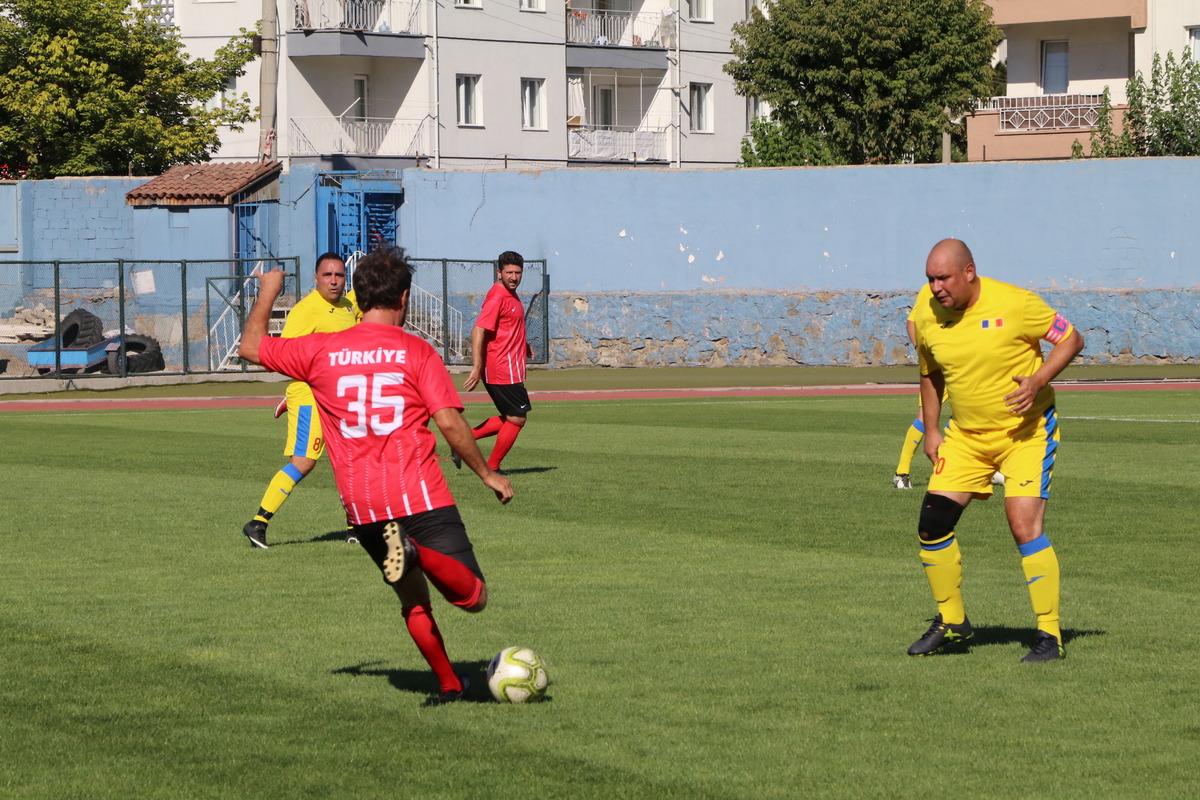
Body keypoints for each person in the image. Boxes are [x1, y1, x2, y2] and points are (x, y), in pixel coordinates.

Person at [238, 247, 514, 702]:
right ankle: (418, 552)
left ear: (358, 296)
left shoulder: (320, 350)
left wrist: (268, 292)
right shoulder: (417, 351)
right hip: (420, 494)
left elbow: (251, 347)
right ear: (404, 298)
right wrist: (487, 473)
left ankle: (447, 684)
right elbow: (448, 421)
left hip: (365, 507)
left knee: (413, 601)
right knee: (473, 597)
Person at [906, 238, 1083, 663]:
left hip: (1025, 433)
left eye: (943, 278)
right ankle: (952, 623)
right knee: (932, 525)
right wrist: (931, 430)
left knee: (1023, 524)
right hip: (966, 437)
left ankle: (1048, 635)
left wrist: (1038, 381)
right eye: (929, 279)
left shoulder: (1015, 303)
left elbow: (1072, 339)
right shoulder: (927, 314)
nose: (935, 288)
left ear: (969, 272)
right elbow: (930, 375)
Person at [242, 253, 359, 549]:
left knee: (349, 460)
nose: (334, 281)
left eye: (339, 275)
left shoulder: (348, 305)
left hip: (338, 398)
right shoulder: (306, 311)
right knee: (304, 462)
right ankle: (258, 523)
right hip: (310, 396)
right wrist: (294, 393)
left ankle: (355, 526)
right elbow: (285, 355)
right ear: (316, 278)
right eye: (327, 275)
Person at [893, 299, 1005, 490]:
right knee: (924, 419)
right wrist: (920, 349)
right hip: (939, 369)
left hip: (964, 368)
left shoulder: (967, 298)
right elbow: (911, 322)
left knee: (971, 414)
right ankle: (901, 473)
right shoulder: (930, 295)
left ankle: (983, 468)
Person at [455, 250, 532, 473]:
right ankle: (492, 467)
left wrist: (523, 344)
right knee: (517, 418)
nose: (514, 277)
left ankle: (462, 443)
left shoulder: (511, 295)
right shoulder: (498, 295)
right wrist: (477, 366)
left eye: (518, 272)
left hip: (510, 366)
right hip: (501, 367)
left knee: (511, 417)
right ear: (499, 273)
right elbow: (479, 330)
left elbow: (507, 327)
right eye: (509, 272)